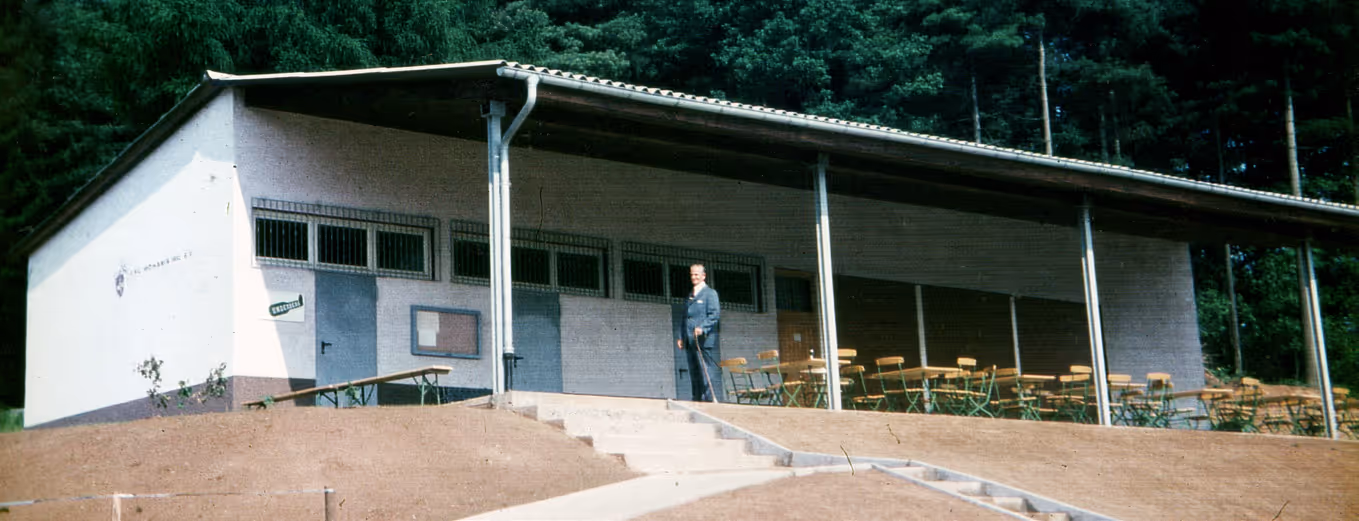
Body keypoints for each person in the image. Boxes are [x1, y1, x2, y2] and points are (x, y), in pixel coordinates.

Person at [676, 263, 722, 402]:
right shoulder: (690, 295)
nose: (693, 277)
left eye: (696, 274)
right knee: (694, 371)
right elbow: (685, 317)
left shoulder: (710, 293)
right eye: (692, 274)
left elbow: (714, 314)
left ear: (703, 276)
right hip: (690, 340)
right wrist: (681, 337)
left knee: (704, 370)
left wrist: (703, 328)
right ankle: (697, 398)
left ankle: (708, 399)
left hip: (703, 340)